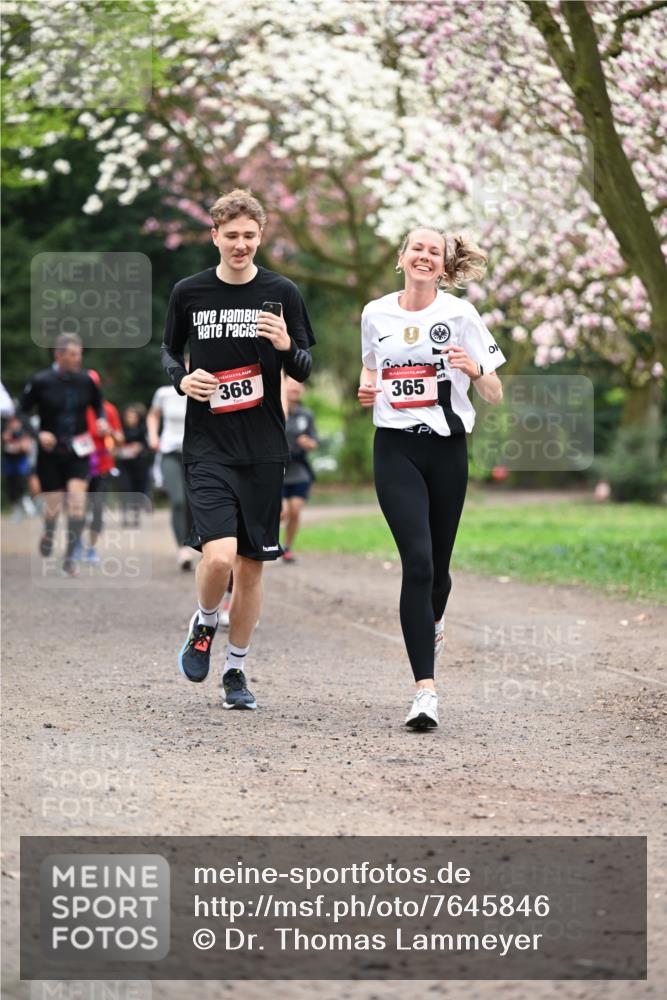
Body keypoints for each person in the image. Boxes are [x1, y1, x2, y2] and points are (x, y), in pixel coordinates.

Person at [160, 188, 314, 709]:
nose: (241, 245)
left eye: (250, 236)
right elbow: (166, 352)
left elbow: (305, 367)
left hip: (265, 448)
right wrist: (183, 380)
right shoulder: (189, 292)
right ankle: (204, 623)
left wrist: (284, 345)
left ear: (260, 236)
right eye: (232, 236)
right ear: (215, 236)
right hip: (207, 445)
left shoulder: (283, 293)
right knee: (219, 556)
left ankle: (236, 672)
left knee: (251, 567)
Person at [358, 227, 505, 730]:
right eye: (416, 248)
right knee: (417, 564)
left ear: (444, 266)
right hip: (395, 449)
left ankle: (434, 621)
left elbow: (494, 392)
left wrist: (475, 369)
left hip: (447, 451)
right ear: (401, 258)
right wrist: (366, 387)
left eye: (434, 252)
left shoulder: (461, 316)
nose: (424, 256)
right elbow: (370, 370)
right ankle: (426, 692)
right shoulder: (375, 313)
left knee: (439, 571)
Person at [18, 333, 106, 576]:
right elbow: (21, 412)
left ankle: (69, 558)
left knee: (78, 504)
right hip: (50, 452)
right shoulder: (41, 381)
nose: (79, 359)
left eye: (80, 354)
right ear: (59, 355)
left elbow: (98, 405)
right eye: (73, 355)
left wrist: (100, 421)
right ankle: (48, 530)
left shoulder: (86, 380)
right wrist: (38, 434)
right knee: (53, 506)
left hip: (78, 450)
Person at [146, 383, 196, 570]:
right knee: (178, 501)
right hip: (170, 452)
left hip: (196, 454)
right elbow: (153, 414)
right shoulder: (164, 392)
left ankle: (191, 540)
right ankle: (182, 549)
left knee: (193, 503)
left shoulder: (204, 389)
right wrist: (152, 436)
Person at [80, 369, 124, 564]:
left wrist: (110, 431)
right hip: (77, 465)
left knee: (97, 509)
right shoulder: (74, 409)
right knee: (77, 508)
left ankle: (91, 547)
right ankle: (76, 545)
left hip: (102, 466)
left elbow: (121, 440)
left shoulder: (109, 410)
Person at [281, 376, 318, 563]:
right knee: (282, 512)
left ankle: (287, 547)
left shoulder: (306, 415)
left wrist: (308, 443)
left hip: (299, 468)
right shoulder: (277, 411)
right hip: (279, 469)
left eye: (298, 387)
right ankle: (267, 543)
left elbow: (315, 441)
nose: (295, 390)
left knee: (295, 510)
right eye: (291, 387)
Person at [116, 404, 151, 528]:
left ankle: (136, 516)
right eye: (128, 416)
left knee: (137, 490)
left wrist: (140, 447)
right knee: (125, 489)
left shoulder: (143, 430)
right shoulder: (120, 430)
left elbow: (148, 445)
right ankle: (125, 515)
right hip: (124, 465)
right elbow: (114, 447)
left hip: (139, 465)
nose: (131, 419)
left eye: (133, 417)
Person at [2, 413, 35, 521]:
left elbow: (26, 446)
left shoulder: (23, 431)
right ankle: (15, 508)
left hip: (21, 460)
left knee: (22, 482)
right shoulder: (5, 430)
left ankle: (26, 502)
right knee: (11, 484)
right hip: (9, 461)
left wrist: (18, 446)